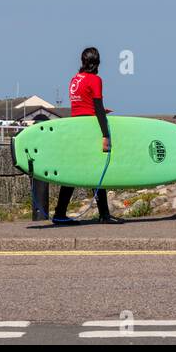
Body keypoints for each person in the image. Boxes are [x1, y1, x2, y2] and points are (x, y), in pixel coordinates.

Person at [53, 47, 121, 224]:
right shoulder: (95, 79)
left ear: (83, 61)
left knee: (72, 170)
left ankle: (60, 213)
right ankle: (104, 215)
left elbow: (83, 105)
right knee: (97, 171)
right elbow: (97, 107)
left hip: (77, 127)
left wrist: (97, 111)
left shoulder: (75, 79)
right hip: (90, 128)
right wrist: (106, 134)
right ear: (97, 63)